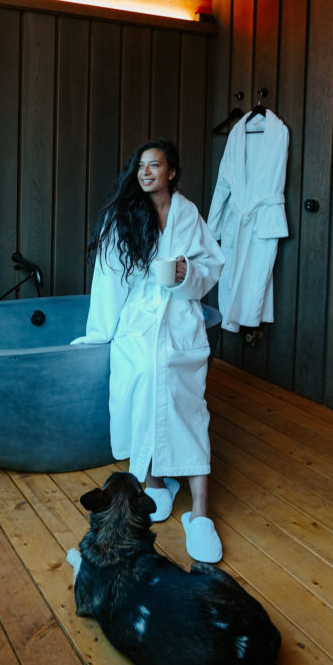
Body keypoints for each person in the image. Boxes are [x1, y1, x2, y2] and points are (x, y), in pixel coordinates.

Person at [73, 138, 225, 562]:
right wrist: (101, 332)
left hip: (179, 318)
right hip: (139, 320)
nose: (145, 172)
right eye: (140, 166)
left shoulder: (188, 213)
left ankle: (200, 514)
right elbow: (108, 279)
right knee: (141, 380)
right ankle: (155, 481)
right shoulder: (125, 214)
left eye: (154, 165)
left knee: (186, 402)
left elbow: (211, 265)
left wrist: (185, 272)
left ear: (170, 172)